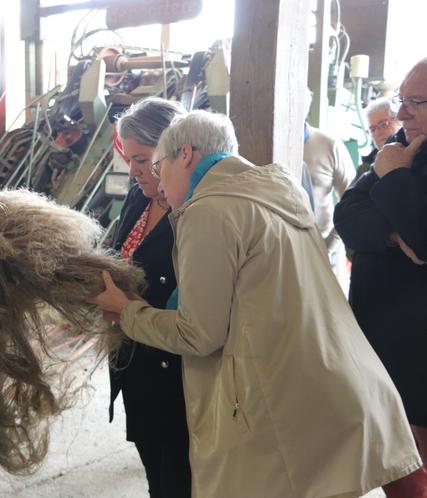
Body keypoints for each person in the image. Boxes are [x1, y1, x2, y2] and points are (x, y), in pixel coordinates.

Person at [90, 110, 424, 498]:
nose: (158, 182)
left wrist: (126, 311)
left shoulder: (208, 210)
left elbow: (199, 335)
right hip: (338, 393)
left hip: (285, 410)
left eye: (156, 165)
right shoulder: (278, 192)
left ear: (185, 154)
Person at [335, 57, 427, 497]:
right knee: (392, 467)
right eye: (401, 100)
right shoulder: (393, 147)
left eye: (416, 102)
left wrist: (393, 177)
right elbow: (348, 214)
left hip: (420, 359)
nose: (403, 113)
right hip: (381, 351)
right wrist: (393, 234)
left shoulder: (394, 158)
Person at [109, 97, 190, 498]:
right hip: (137, 359)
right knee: (155, 473)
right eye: (129, 158)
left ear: (172, 152)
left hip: (176, 369)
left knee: (179, 474)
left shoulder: (195, 211)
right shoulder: (140, 196)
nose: (134, 170)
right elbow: (117, 250)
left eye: (142, 159)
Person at [303, 108, 355, 292]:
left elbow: (353, 203)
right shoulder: (269, 141)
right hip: (281, 252)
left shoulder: (329, 145)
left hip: (324, 252)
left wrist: (329, 246)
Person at [356, 96, 403, 178]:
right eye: (373, 129)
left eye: (383, 124)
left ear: (400, 122)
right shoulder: (365, 169)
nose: (378, 133)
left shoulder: (417, 159)